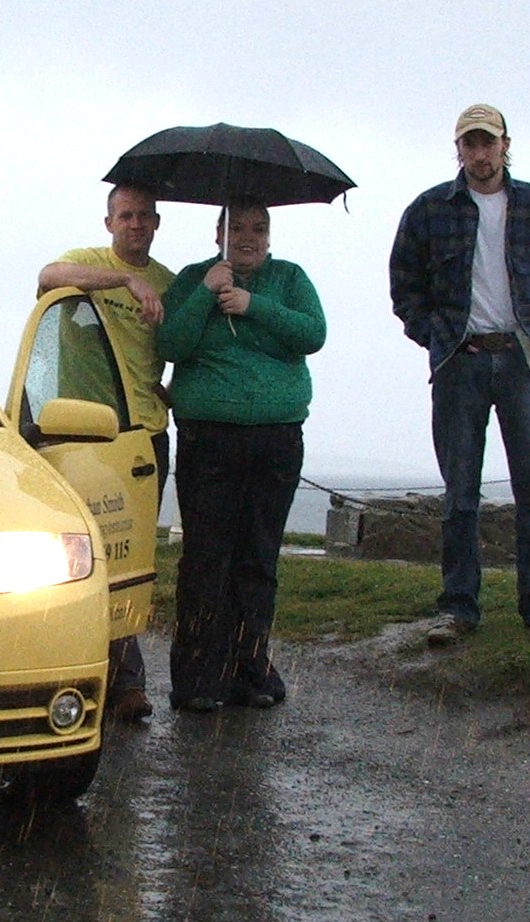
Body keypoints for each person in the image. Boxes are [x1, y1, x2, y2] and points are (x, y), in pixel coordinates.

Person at [389, 103, 530, 647]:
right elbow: (405, 287)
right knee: (460, 495)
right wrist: (436, 336)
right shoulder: (429, 211)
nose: (479, 153)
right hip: (460, 363)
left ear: (505, 145)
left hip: (523, 363)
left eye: (488, 143)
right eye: (469, 144)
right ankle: (457, 608)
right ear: (458, 149)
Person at [157, 203, 325, 712]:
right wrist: (207, 294)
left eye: (259, 229)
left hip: (275, 438)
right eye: (237, 228)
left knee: (258, 558)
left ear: (269, 236)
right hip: (209, 438)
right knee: (207, 558)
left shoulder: (290, 279)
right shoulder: (192, 279)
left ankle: (250, 670)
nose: (248, 238)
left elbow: (312, 334)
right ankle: (198, 679)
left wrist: (254, 305)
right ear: (218, 233)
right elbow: (170, 343)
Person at [38, 183, 175, 721]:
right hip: (76, 436)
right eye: (126, 215)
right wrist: (124, 279)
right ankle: (75, 670)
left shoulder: (170, 283)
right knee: (73, 558)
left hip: (140, 436)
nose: (135, 224)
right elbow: (48, 279)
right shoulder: (85, 264)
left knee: (127, 560)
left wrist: (175, 388)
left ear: (157, 224)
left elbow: (185, 344)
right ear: (108, 222)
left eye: (144, 216)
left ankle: (126, 682)